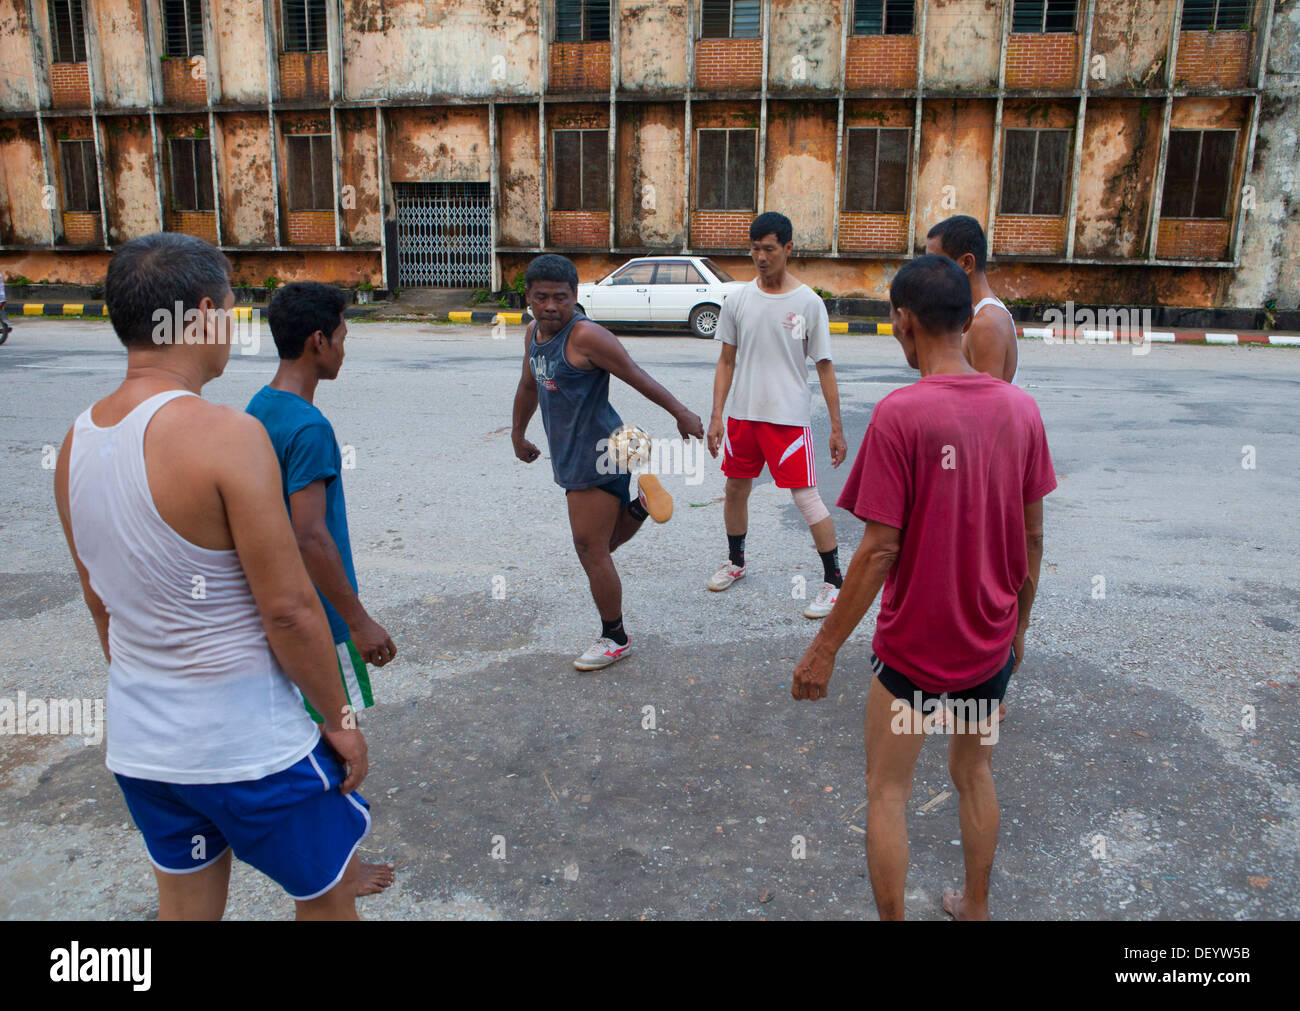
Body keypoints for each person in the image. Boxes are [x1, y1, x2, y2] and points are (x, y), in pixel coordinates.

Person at [52, 233, 370, 920]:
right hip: (250, 747)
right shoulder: (226, 435)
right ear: (201, 313)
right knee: (325, 897)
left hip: (145, 747)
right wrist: (341, 718)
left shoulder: (75, 442)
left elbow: (99, 603)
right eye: (231, 306)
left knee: (187, 911)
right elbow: (288, 609)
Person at [790, 254, 1055, 921]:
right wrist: (1018, 628)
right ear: (967, 319)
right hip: (987, 645)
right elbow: (1034, 539)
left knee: (887, 791)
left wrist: (823, 646)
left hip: (911, 655)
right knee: (974, 775)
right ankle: (977, 907)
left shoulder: (902, 413)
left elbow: (880, 547)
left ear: (903, 323)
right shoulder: (1021, 411)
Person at [246, 281, 396, 897]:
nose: (344, 349)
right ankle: (336, 870)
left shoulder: (258, 407)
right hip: (313, 615)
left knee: (302, 735)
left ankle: (327, 858)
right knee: (334, 742)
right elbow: (310, 535)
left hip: (272, 607)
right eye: (341, 337)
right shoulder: (309, 428)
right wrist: (358, 620)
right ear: (317, 341)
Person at [511, 253, 704, 671]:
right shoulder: (533, 334)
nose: (550, 306)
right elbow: (528, 386)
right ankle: (640, 505)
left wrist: (681, 412)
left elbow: (636, 375)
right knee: (603, 546)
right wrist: (517, 432)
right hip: (579, 450)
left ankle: (615, 637)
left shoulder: (587, 337)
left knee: (590, 548)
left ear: (575, 296)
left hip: (597, 452)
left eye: (560, 298)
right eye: (541, 297)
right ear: (527, 296)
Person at [704, 211, 848, 618]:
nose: (761, 257)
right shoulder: (737, 301)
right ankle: (736, 562)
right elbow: (726, 361)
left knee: (805, 498)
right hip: (742, 416)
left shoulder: (808, 303)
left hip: (787, 419)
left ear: (788, 248)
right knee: (735, 490)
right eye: (755, 249)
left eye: (769, 249)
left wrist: (836, 428)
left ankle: (833, 582)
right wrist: (717, 416)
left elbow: (824, 366)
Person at [925, 215, 1018, 384]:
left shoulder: (986, 323)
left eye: (937, 263)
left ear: (967, 263)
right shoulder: (970, 314)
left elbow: (986, 406)